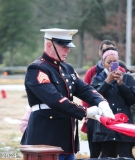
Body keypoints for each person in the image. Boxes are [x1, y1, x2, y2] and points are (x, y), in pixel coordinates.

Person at [20, 28, 115, 160]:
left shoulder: (67, 68)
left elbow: (84, 89)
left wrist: (101, 101)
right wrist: (85, 112)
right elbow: (54, 99)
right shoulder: (37, 68)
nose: (68, 50)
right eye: (63, 46)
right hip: (45, 139)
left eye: (68, 46)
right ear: (49, 44)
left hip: (66, 139)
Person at [91, 47, 135, 159]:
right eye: (109, 62)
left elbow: (132, 100)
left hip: (124, 125)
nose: (112, 64)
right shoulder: (97, 78)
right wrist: (107, 81)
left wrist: (121, 84)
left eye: (115, 62)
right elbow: (93, 97)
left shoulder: (127, 78)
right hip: (105, 128)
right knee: (107, 156)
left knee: (125, 157)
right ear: (103, 63)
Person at [82, 40, 116, 158]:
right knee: (95, 153)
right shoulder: (92, 73)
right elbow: (86, 94)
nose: (108, 52)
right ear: (100, 53)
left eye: (111, 49)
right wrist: (88, 113)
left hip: (113, 117)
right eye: (105, 50)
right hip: (95, 116)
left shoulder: (121, 73)